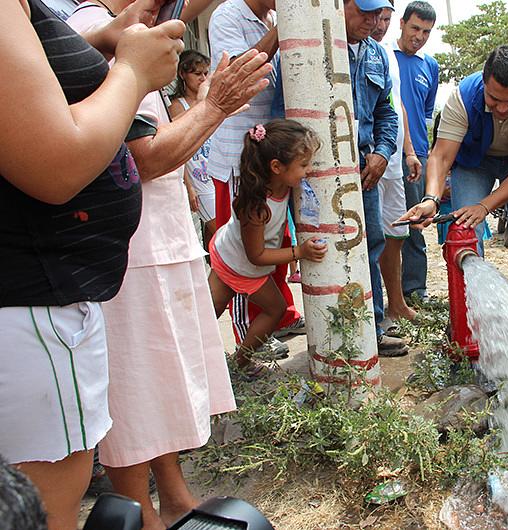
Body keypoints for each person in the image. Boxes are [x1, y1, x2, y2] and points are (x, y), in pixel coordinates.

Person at [68, 4, 271, 529]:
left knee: (163, 380)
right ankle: (141, 513)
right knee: (134, 388)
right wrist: (215, 107)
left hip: (161, 237)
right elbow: (145, 158)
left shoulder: (136, 30)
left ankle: (176, 499)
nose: (170, 13)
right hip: (127, 249)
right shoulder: (88, 29)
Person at [0, 1, 183, 529]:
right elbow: (55, 162)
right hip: (32, 303)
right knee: (44, 508)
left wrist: (100, 45)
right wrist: (131, 72)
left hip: (38, 303)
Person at [273, 0, 405, 355]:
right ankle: (330, 341)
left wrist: (382, 152)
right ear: (340, 5)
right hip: (315, 174)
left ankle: (372, 330)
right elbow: (279, 118)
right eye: (364, 12)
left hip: (364, 170)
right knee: (326, 250)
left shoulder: (376, 55)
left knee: (371, 244)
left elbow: (387, 114)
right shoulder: (303, 47)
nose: (373, 21)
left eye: (378, 14)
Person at [399, 45, 508, 326]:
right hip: (474, 161)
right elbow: (441, 154)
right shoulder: (463, 96)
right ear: (484, 82)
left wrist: (485, 205)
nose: (501, 108)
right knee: (464, 229)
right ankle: (474, 315)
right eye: (494, 98)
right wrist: (431, 199)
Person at [208, 0, 303, 358]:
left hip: (271, 157)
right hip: (240, 159)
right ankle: (246, 342)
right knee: (242, 261)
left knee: (264, 249)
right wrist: (282, 29)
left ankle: (268, 326)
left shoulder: (273, 17)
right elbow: (239, 78)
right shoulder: (228, 15)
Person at [209, 121, 327, 375]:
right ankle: (230, 365)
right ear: (276, 167)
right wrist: (300, 252)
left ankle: (233, 363)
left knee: (210, 313)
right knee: (211, 317)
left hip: (238, 258)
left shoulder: (283, 185)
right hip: (238, 261)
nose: (308, 171)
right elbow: (257, 255)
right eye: (304, 165)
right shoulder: (256, 205)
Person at [372, 2, 422, 334]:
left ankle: (396, 302)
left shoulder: (387, 55)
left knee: (396, 232)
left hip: (392, 160)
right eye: (375, 17)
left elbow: (396, 104)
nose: (379, 25)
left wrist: (409, 151)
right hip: (369, 158)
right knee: (370, 235)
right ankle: (373, 312)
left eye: (386, 19)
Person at [393, 0, 438, 302]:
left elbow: (425, 113)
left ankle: (414, 290)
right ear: (402, 24)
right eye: (415, 28)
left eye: (426, 31)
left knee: (414, 225)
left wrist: (424, 153)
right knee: (384, 225)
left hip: (417, 155)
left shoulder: (429, 66)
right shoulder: (385, 56)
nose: (419, 36)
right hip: (388, 150)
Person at [169, 50, 216, 250]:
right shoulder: (176, 106)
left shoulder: (211, 100)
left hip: (216, 173)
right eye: (197, 74)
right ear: (183, 74)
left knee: (218, 234)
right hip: (198, 177)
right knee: (220, 230)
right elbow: (177, 148)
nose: (203, 79)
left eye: (206, 73)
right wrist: (188, 186)